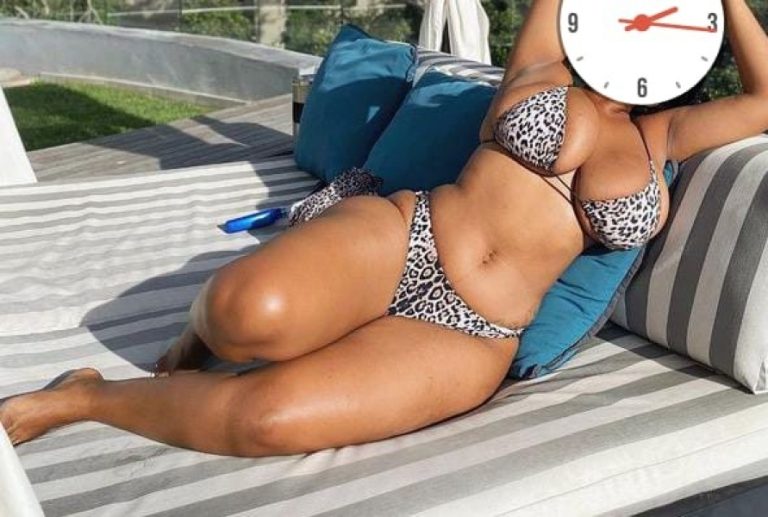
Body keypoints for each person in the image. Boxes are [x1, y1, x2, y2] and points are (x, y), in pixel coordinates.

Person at [2, 0, 768, 457]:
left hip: (474, 335)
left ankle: (87, 397)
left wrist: (728, 1)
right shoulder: (543, 67)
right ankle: (197, 338)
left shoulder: (663, 134)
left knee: (268, 420)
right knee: (241, 316)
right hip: (411, 235)